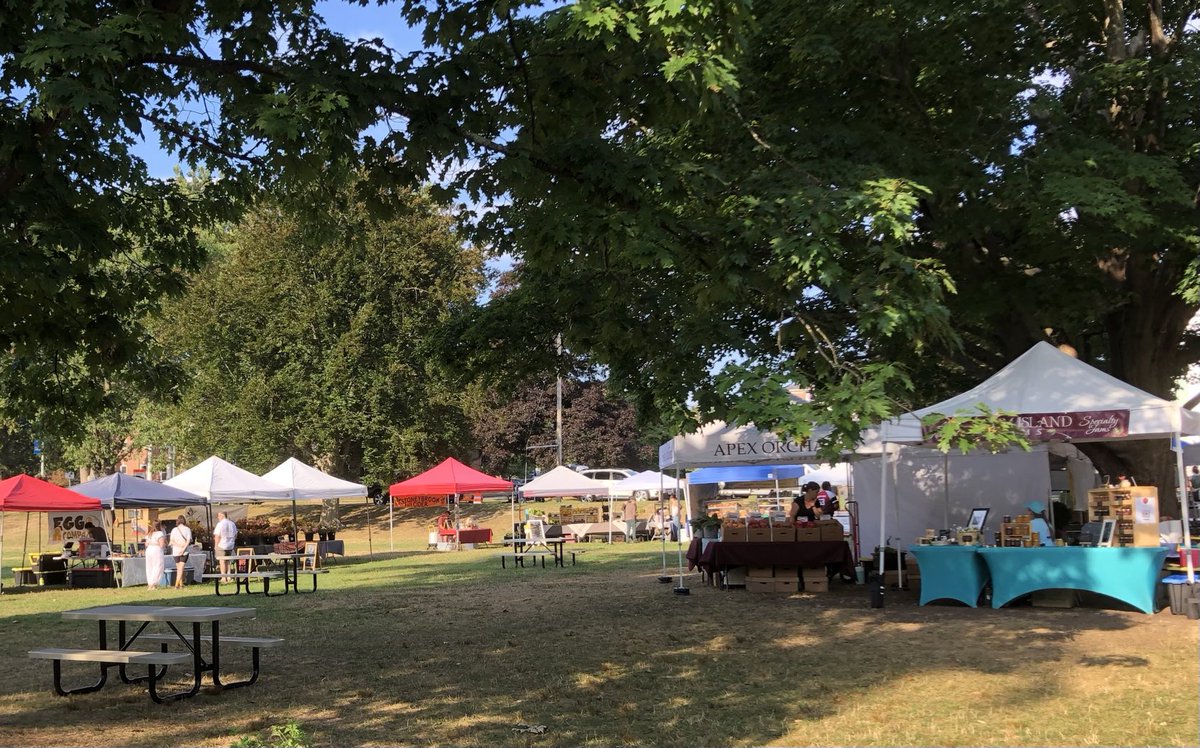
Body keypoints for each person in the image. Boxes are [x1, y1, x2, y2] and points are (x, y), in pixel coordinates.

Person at [212, 511, 238, 583]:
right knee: (228, 560)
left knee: (222, 560)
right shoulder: (232, 523)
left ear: (222, 516)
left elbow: (217, 535)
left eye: (218, 516)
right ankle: (229, 576)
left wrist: (216, 545)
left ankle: (223, 577)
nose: (218, 517)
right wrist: (232, 541)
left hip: (222, 544)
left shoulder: (220, 524)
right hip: (230, 544)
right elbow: (235, 535)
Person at [169, 516, 193, 589]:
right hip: (184, 551)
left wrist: (178, 545)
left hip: (176, 551)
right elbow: (188, 541)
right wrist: (183, 548)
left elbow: (171, 541)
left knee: (178, 568)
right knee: (181, 568)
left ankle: (181, 584)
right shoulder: (187, 529)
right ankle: (177, 584)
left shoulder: (174, 530)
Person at [145, 521, 167, 589]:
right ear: (159, 526)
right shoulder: (160, 533)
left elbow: (146, 544)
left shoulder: (150, 533)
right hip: (156, 550)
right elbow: (161, 544)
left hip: (149, 550)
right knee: (157, 566)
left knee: (149, 567)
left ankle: (150, 583)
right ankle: (153, 583)